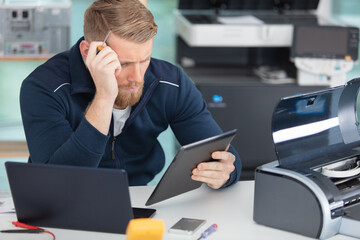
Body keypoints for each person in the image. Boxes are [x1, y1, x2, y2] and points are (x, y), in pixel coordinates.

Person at [20, 0, 241, 189]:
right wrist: (104, 98)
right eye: (124, 63)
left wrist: (225, 173)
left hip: (138, 198)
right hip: (64, 205)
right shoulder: (44, 87)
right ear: (89, 52)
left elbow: (225, 157)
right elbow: (58, 183)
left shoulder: (171, 82)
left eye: (145, 59)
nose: (137, 76)